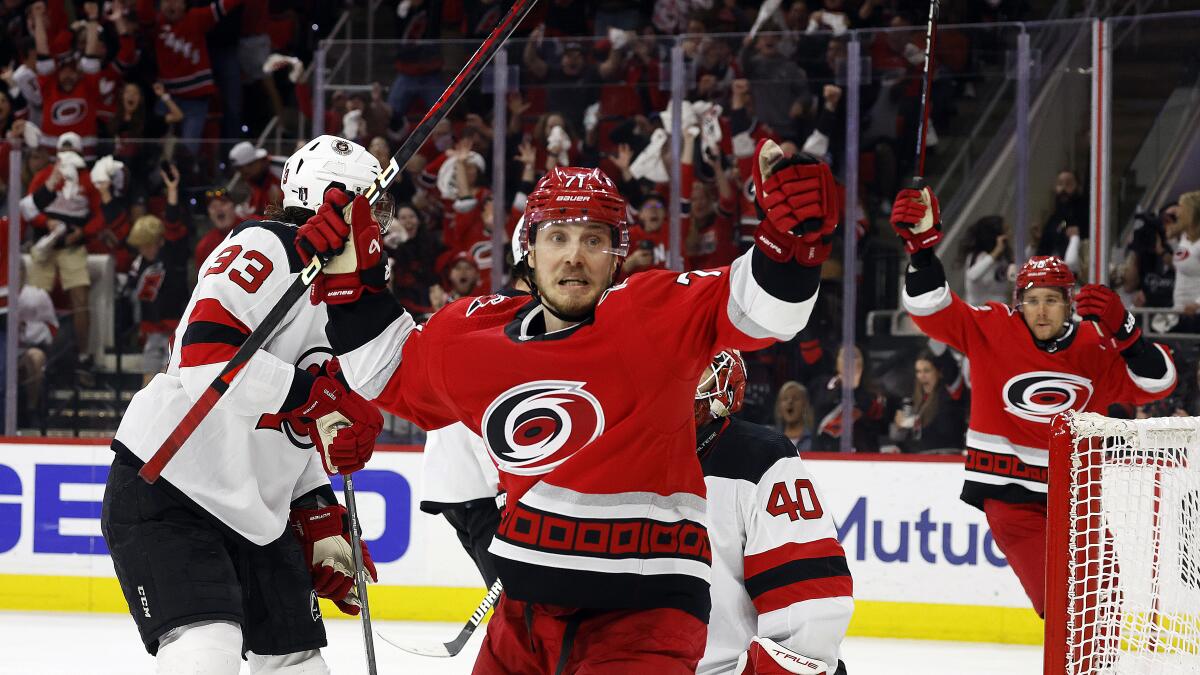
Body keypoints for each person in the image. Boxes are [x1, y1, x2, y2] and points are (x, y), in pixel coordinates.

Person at [300, 139, 839, 671]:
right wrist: (354, 280)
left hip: (641, 621)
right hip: (521, 623)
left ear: (616, 255)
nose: (574, 255)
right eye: (557, 236)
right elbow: (381, 371)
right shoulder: (473, 336)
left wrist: (789, 243)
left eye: (594, 239)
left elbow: (766, 311)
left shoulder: (657, 313)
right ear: (530, 250)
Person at [100, 135, 394, 674]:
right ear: (335, 200)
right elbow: (207, 361)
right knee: (205, 651)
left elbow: (293, 429)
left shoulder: (352, 295)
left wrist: (317, 513)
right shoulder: (268, 245)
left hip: (258, 514)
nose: (380, 220)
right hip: (172, 488)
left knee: (298, 663)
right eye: (369, 205)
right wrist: (316, 396)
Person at [892, 185, 1177, 617]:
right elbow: (931, 311)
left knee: (1109, 608)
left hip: (1078, 498)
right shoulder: (992, 328)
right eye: (1032, 301)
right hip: (1012, 501)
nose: (1040, 311)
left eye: (1051, 301)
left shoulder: (1094, 344)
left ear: (1069, 305)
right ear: (1018, 303)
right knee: (1065, 607)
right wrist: (921, 254)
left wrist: (1129, 335)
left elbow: (1158, 384)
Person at [694, 351, 852, 675]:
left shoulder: (759, 457)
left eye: (698, 369)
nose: (680, 378)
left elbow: (809, 606)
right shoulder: (604, 453)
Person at [890, 350, 967, 454]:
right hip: (918, 460)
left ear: (939, 373)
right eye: (918, 371)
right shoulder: (911, 400)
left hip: (947, 457)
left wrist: (940, 348)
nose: (922, 376)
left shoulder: (949, 396)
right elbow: (901, 438)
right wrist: (898, 427)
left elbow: (952, 371)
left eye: (926, 371)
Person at [774, 380, 814, 450]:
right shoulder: (772, 439)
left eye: (795, 398)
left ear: (804, 406)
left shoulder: (814, 440)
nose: (790, 401)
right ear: (779, 407)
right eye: (785, 399)